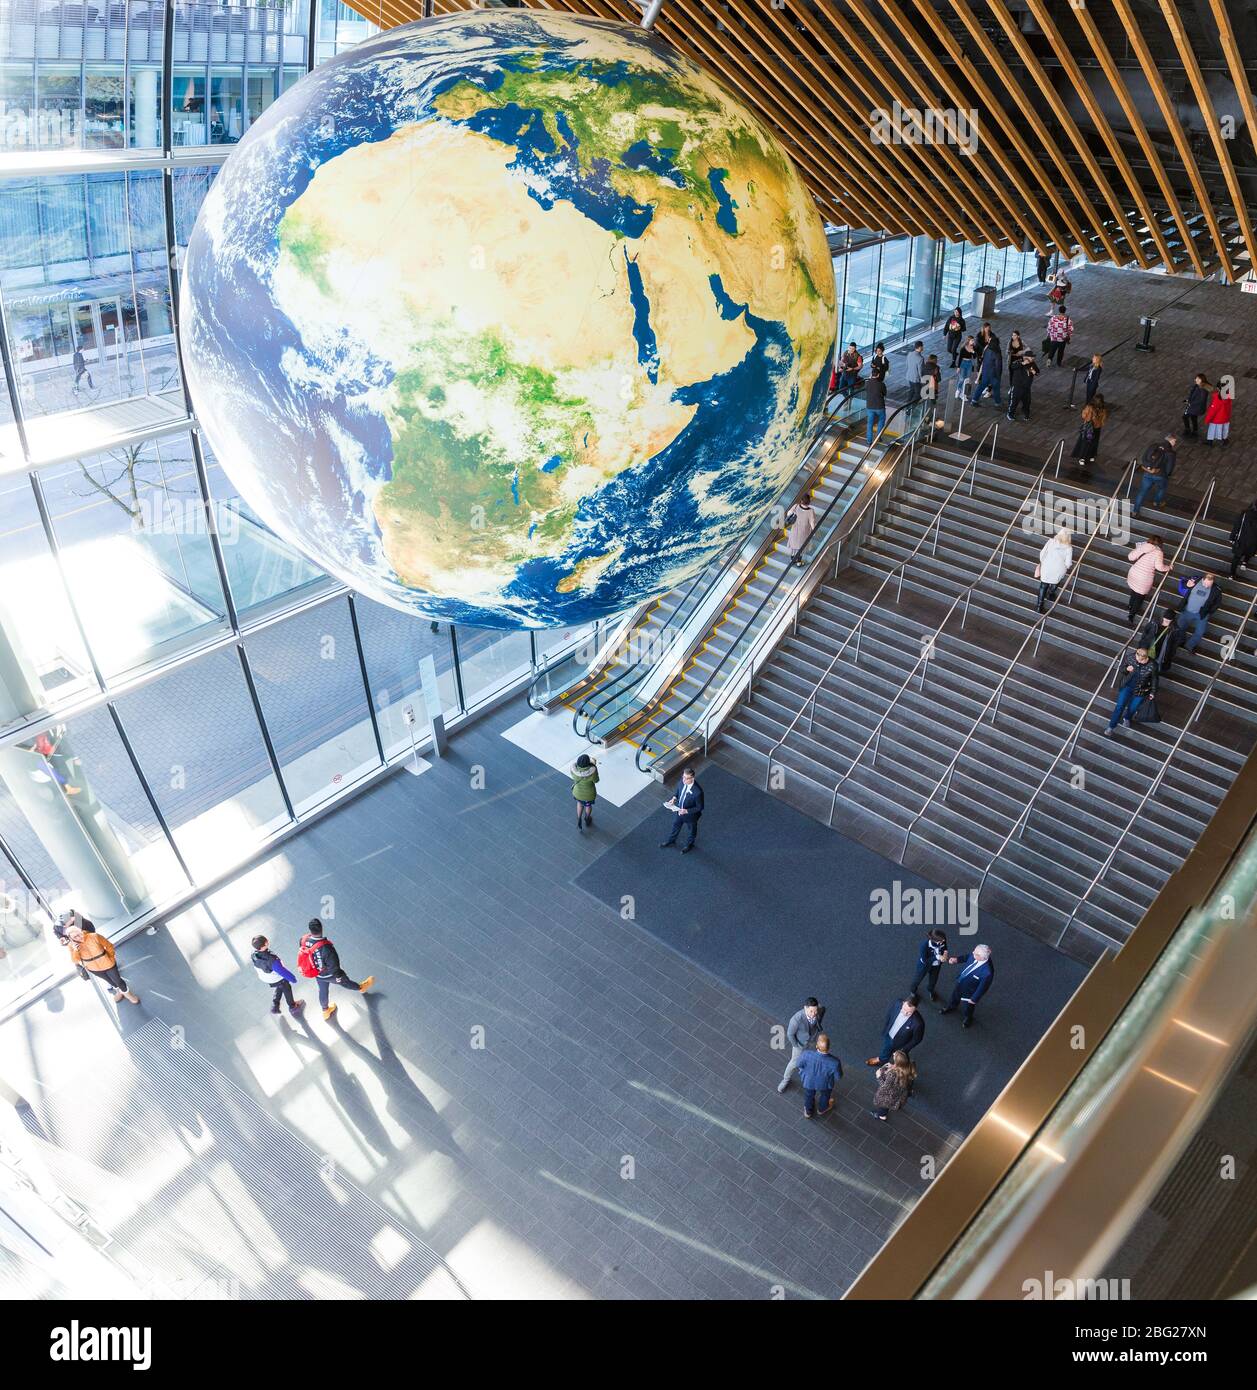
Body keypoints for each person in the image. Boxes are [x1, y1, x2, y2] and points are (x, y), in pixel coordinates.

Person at [297, 918, 374, 1021]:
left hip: (317, 974)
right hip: (330, 975)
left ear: (310, 930)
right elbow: (334, 967)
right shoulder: (327, 948)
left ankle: (325, 1011)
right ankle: (361, 988)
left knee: (323, 991)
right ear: (321, 929)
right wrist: (339, 977)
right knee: (345, 982)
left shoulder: (304, 939)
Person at [67, 921, 139, 1005]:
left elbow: (109, 945)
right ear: (71, 938)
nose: (79, 937)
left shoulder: (94, 936)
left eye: (79, 934)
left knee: (118, 980)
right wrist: (76, 951)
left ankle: (128, 994)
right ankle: (119, 991)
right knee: (109, 981)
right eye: (75, 937)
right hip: (93, 968)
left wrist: (111, 957)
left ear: (80, 930)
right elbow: (75, 960)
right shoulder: (71, 946)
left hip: (108, 963)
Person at [1105, 648, 1159, 734]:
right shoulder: (1131, 657)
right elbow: (1121, 668)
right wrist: (1126, 669)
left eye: (1142, 661)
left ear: (1146, 657)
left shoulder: (1153, 665)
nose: (1139, 662)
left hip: (1141, 690)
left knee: (1133, 707)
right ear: (1136, 655)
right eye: (1137, 659)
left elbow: (1154, 679)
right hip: (1127, 686)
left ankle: (1127, 718)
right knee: (1119, 706)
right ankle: (1111, 726)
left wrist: (1153, 692)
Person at [778, 996, 826, 1093]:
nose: (813, 1014)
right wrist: (796, 1045)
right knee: (794, 1063)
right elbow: (790, 1034)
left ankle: (803, 1067)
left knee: (808, 1057)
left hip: (812, 1040)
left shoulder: (819, 1010)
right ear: (805, 1008)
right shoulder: (796, 1019)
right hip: (800, 1044)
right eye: (811, 1011)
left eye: (815, 1011)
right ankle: (785, 1080)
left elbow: (819, 1016)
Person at [940, 945, 994, 1028]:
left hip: (970, 991)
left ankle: (968, 1017)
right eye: (974, 951)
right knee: (954, 996)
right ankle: (951, 1006)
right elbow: (967, 957)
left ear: (982, 957)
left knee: (968, 1006)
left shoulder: (987, 972)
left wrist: (974, 999)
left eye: (975, 953)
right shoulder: (974, 955)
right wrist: (957, 960)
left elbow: (983, 987)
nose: (973, 953)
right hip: (961, 982)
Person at [251, 935, 305, 1017]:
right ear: (263, 946)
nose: (267, 941)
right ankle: (293, 1006)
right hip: (275, 978)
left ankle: (275, 1006)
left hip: (265, 977)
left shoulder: (254, 955)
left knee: (280, 986)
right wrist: (292, 978)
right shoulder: (272, 960)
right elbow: (282, 971)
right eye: (266, 942)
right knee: (286, 988)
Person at [865, 994, 925, 1066]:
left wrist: (904, 1049)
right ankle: (881, 1060)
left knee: (899, 1060)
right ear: (903, 1003)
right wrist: (886, 1028)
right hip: (889, 1034)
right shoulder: (897, 1003)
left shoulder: (918, 1023)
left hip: (901, 1045)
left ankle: (896, 1067)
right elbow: (889, 1015)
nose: (905, 1013)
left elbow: (917, 1039)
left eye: (909, 1012)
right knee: (886, 1048)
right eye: (904, 1009)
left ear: (915, 1009)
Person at [1125, 535, 1171, 625]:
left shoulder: (1143, 546)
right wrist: (1168, 567)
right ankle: (1131, 614)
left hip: (1134, 572)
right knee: (1140, 596)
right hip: (1144, 577)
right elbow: (1159, 567)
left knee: (1134, 590)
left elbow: (1130, 557)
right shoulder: (1158, 552)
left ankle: (1130, 606)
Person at [1175, 572, 1222, 653]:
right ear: (1203, 580)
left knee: (1200, 632)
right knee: (1180, 628)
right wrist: (1187, 585)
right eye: (1205, 584)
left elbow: (1217, 603)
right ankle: (1180, 641)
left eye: (1209, 585)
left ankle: (1189, 645)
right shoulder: (1195, 580)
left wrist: (1209, 612)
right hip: (1187, 610)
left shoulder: (1216, 590)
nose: (1207, 586)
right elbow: (1183, 585)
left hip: (1202, 614)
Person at [660, 765, 704, 853]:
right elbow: (678, 792)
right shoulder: (682, 782)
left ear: (692, 778)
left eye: (687, 778)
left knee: (691, 830)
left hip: (691, 816)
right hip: (679, 811)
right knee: (675, 826)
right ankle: (671, 840)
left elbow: (700, 807)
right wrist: (673, 799)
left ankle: (689, 845)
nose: (684, 780)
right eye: (683, 776)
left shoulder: (698, 792)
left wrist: (686, 811)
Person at [797, 1035, 842, 1119]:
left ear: (817, 1046)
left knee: (808, 1095)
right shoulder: (835, 1062)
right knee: (825, 1096)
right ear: (828, 1048)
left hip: (808, 1081)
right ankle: (822, 1109)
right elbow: (838, 1077)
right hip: (825, 1084)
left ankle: (808, 1111)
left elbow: (798, 1064)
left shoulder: (806, 1054)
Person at [1132, 434, 1177, 517]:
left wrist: (1149, 468)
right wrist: (1167, 475)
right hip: (1160, 475)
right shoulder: (1171, 453)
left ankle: (1135, 511)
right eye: (1174, 441)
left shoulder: (1154, 446)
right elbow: (1169, 468)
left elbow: (1144, 457)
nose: (1175, 443)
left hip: (1147, 472)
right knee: (1161, 488)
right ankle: (1156, 502)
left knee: (1142, 492)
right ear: (1171, 440)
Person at [1138, 606, 1185, 676]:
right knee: (1143, 661)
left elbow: (1178, 640)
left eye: (1169, 619)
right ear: (1162, 616)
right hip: (1148, 646)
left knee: (1154, 667)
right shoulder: (1155, 622)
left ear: (1172, 620)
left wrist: (1172, 651)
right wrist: (1142, 643)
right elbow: (1146, 631)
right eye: (1165, 618)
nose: (1166, 620)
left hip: (1162, 651)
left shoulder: (1175, 629)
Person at [1035, 527, 1072, 612]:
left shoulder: (1051, 541)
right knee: (1056, 582)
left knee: (1043, 585)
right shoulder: (1068, 548)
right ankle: (1051, 594)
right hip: (1059, 569)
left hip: (1047, 566)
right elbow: (1068, 563)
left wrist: (1042, 562)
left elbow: (1042, 553)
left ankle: (1039, 606)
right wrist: (1066, 567)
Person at [871, 1050, 916, 1121]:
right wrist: (893, 1066)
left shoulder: (892, 1074)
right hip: (900, 1094)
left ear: (897, 1061)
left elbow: (885, 1087)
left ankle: (882, 1116)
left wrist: (878, 1076)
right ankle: (890, 1108)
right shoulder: (908, 1068)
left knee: (883, 1106)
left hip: (889, 1096)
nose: (893, 1054)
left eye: (895, 1055)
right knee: (890, 1104)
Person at [1070, 395, 1107, 472]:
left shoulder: (1090, 407)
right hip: (1097, 427)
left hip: (1089, 427)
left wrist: (1088, 418)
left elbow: (1084, 416)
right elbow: (1104, 419)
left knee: (1085, 442)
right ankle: (1091, 456)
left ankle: (1082, 458)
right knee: (1094, 442)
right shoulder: (1103, 408)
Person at [910, 929, 948, 1001]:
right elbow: (925, 961)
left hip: (936, 966)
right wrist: (938, 957)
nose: (943, 941)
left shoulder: (942, 939)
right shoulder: (924, 946)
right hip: (924, 966)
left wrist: (945, 954)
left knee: (933, 981)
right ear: (934, 940)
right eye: (941, 941)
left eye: (943, 939)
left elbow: (945, 947)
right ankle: (913, 992)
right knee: (917, 980)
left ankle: (930, 990)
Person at [1006, 348, 1038, 421]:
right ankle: (1010, 414)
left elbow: (1037, 371)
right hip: (1017, 386)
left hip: (1027, 387)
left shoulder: (1032, 363)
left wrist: (1034, 372)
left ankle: (1026, 414)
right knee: (1014, 401)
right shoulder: (1018, 362)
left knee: (1027, 402)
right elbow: (1012, 367)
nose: (1033, 358)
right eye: (1031, 357)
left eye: (1033, 357)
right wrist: (1022, 364)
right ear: (1025, 357)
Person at [786, 490, 816, 566]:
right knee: (801, 547)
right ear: (809, 501)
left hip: (795, 530)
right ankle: (799, 562)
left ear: (801, 501)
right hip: (804, 532)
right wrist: (814, 531)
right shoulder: (811, 511)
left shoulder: (796, 506)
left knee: (794, 545)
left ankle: (792, 559)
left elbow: (789, 513)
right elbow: (812, 522)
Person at [1228, 499, 1257, 578]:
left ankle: (1232, 574)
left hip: (1242, 540)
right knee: (1249, 553)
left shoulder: (1244, 514)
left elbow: (1237, 526)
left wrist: (1232, 537)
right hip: (1253, 541)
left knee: (1236, 557)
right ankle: (1244, 562)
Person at [570, 752, 598, 832]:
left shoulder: (574, 771)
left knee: (579, 804)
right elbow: (596, 780)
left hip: (577, 793)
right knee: (588, 806)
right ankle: (587, 818)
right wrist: (594, 765)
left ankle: (579, 819)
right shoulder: (593, 771)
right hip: (589, 795)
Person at [971, 337, 1002, 407]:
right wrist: (998, 375)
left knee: (981, 386)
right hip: (993, 374)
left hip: (985, 371)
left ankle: (974, 400)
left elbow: (983, 359)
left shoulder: (987, 349)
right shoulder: (997, 352)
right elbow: (998, 366)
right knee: (996, 388)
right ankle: (998, 402)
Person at [1181, 373, 1211, 439]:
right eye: (1196, 378)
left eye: (1197, 379)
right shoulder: (1197, 386)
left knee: (1185, 417)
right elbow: (1192, 394)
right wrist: (1188, 400)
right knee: (1193, 417)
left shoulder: (1203, 389)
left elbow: (1202, 400)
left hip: (1196, 407)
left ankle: (1189, 430)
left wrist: (1190, 403)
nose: (1195, 380)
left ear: (1201, 380)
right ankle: (1194, 431)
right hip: (1193, 406)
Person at [865, 365, 887, 444]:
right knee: (881, 420)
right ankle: (878, 437)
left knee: (870, 423)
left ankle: (869, 440)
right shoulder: (881, 384)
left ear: (871, 374)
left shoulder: (867, 383)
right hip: (880, 406)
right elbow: (884, 394)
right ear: (878, 375)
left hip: (870, 406)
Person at [955, 334, 977, 399]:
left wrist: (973, 351)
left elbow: (975, 357)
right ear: (968, 341)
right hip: (963, 363)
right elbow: (960, 358)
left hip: (969, 363)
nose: (973, 342)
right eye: (972, 340)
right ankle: (958, 390)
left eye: (973, 340)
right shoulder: (963, 348)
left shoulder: (973, 347)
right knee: (961, 379)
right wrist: (958, 367)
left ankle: (963, 394)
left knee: (967, 379)